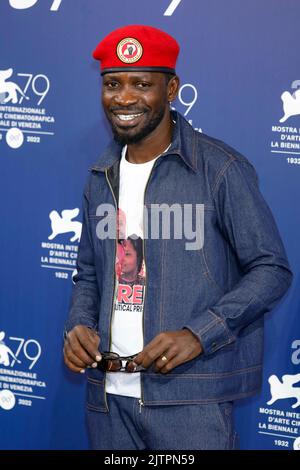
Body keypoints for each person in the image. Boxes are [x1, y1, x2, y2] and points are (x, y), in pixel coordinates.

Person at [63, 24, 293, 450]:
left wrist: (199, 333)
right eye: (113, 84)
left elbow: (271, 269)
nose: (125, 98)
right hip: (107, 402)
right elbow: (90, 273)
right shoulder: (101, 176)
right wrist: (78, 324)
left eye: (141, 84)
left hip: (189, 403)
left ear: (171, 90)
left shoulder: (218, 168)